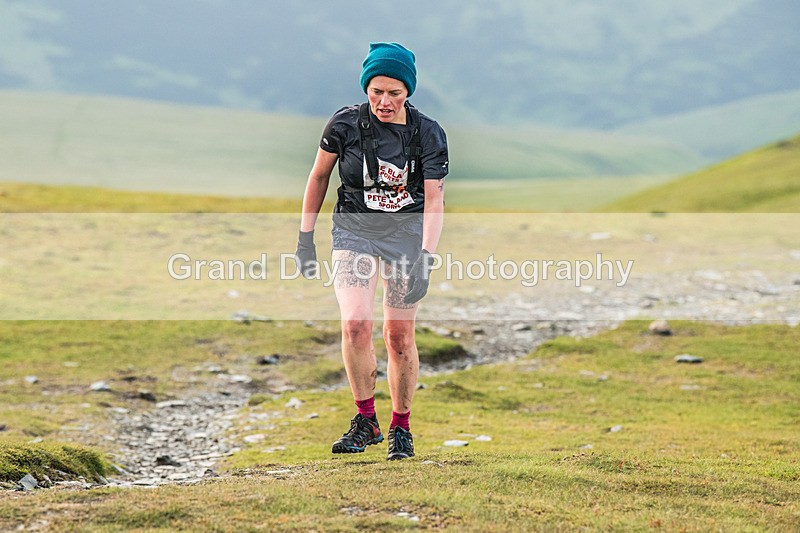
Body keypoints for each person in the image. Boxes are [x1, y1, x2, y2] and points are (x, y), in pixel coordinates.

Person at [295, 42, 449, 460]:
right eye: (376, 91)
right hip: (353, 231)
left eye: (394, 93)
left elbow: (434, 201)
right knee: (355, 324)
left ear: (408, 92)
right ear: (366, 88)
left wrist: (425, 258)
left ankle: (402, 427)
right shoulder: (344, 124)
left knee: (398, 334)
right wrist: (305, 238)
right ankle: (366, 420)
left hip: (405, 237)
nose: (384, 101)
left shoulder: (429, 133)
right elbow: (318, 177)